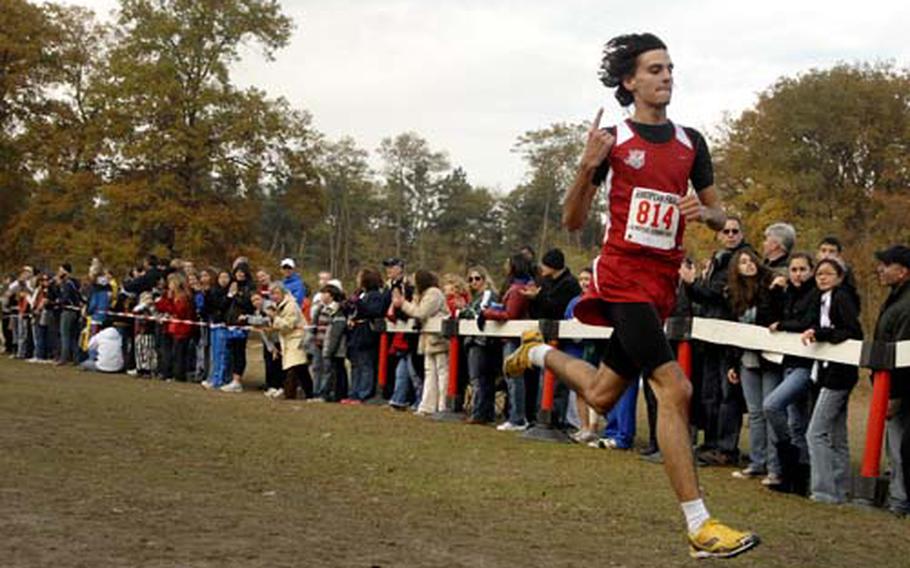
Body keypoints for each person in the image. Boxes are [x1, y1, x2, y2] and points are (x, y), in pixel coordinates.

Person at [503, 33, 759, 558]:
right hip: (620, 276)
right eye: (654, 69)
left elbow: (719, 213)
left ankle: (539, 352)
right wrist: (584, 166)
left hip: (662, 283)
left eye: (670, 68)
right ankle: (699, 525)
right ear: (630, 81)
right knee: (676, 389)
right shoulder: (612, 140)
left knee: (600, 393)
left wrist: (705, 214)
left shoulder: (691, 142)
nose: (666, 77)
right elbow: (574, 221)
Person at [679, 217, 751, 466]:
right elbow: (707, 296)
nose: (730, 235)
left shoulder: (742, 259)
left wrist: (693, 283)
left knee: (727, 394)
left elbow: (720, 294)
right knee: (709, 393)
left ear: (741, 234)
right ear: (719, 235)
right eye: (726, 231)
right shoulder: (718, 259)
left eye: (735, 231)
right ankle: (710, 443)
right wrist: (694, 284)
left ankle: (726, 448)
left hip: (729, 335)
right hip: (710, 335)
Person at [801, 258, 863, 505]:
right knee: (837, 435)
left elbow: (851, 331)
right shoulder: (822, 299)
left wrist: (819, 333)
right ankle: (839, 490)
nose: (822, 278)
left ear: (840, 276)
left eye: (828, 274)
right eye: (819, 275)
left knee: (815, 432)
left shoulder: (842, 298)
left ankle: (823, 492)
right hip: (827, 371)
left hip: (839, 375)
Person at [723, 248, 783, 485]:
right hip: (746, 359)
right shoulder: (734, 295)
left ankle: (774, 466)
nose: (748, 265)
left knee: (771, 411)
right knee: (755, 413)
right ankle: (757, 463)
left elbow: (770, 316)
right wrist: (732, 363)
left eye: (751, 260)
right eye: (743, 262)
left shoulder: (771, 287)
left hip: (769, 357)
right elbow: (732, 330)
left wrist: (772, 291)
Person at [765, 252, 817, 494]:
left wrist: (783, 326)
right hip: (788, 361)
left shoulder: (816, 294)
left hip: (806, 364)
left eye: (802, 269)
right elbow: (770, 318)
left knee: (771, 406)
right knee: (797, 423)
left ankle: (790, 458)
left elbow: (808, 322)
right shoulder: (789, 294)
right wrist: (774, 291)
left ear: (811, 270)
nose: (797, 274)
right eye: (794, 270)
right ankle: (796, 477)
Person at [872, 245, 910, 517]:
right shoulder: (897, 299)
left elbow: (902, 354)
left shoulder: (906, 305)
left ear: (903, 271)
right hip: (894, 387)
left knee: (900, 447)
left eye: (886, 265)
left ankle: (900, 500)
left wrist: (894, 394)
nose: (880, 269)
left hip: (901, 390)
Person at [483, 253, 535, 432]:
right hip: (512, 338)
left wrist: (488, 313)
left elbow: (509, 315)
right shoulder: (520, 287)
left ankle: (517, 418)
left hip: (513, 339)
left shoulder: (517, 289)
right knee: (513, 379)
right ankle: (517, 416)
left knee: (514, 379)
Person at [393, 269, 449, 416]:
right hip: (427, 340)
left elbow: (421, 312)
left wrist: (403, 303)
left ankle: (442, 406)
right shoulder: (422, 295)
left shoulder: (434, 293)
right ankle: (427, 406)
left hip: (438, 339)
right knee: (430, 372)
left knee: (442, 372)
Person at [459, 266, 499, 424]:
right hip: (475, 340)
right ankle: (484, 412)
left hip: (481, 341)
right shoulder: (475, 298)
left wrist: (463, 310)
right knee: (481, 378)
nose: (473, 282)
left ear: (484, 279)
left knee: (478, 378)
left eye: (477, 278)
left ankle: (479, 413)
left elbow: (479, 314)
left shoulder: (488, 295)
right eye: (470, 279)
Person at [344, 267, 386, 403]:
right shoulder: (361, 294)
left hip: (366, 332)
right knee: (355, 364)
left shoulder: (375, 296)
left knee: (366, 364)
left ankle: (364, 393)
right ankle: (354, 392)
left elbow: (373, 311)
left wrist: (359, 304)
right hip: (356, 332)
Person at [267, 282, 308, 400]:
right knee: (298, 368)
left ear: (283, 293)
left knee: (293, 366)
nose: (274, 296)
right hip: (287, 339)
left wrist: (275, 318)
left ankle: (290, 393)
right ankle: (302, 392)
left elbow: (289, 325)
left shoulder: (291, 305)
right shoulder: (277, 305)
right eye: (272, 294)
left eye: (276, 293)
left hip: (297, 338)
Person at [155, 273, 196, 382]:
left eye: (171, 283)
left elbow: (179, 312)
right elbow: (160, 306)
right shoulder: (170, 295)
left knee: (179, 353)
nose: (169, 285)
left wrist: (169, 304)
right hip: (172, 328)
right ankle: (169, 372)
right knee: (171, 352)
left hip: (181, 329)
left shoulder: (183, 297)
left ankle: (179, 375)